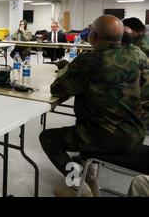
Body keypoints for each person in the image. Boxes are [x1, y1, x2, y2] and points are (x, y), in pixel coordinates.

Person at [39, 15, 146, 197]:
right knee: (85, 132)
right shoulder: (134, 55)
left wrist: (67, 70)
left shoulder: (89, 61)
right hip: (136, 134)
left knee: (48, 138)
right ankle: (89, 173)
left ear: (93, 36)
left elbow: (57, 90)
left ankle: (78, 185)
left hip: (104, 137)